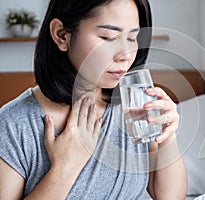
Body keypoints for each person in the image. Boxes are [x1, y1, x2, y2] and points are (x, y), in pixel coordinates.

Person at [0, 0, 187, 199]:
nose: (125, 55)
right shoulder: (13, 126)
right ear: (61, 35)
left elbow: (170, 197)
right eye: (108, 37)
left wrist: (167, 137)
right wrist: (64, 170)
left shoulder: (134, 106)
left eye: (133, 38)